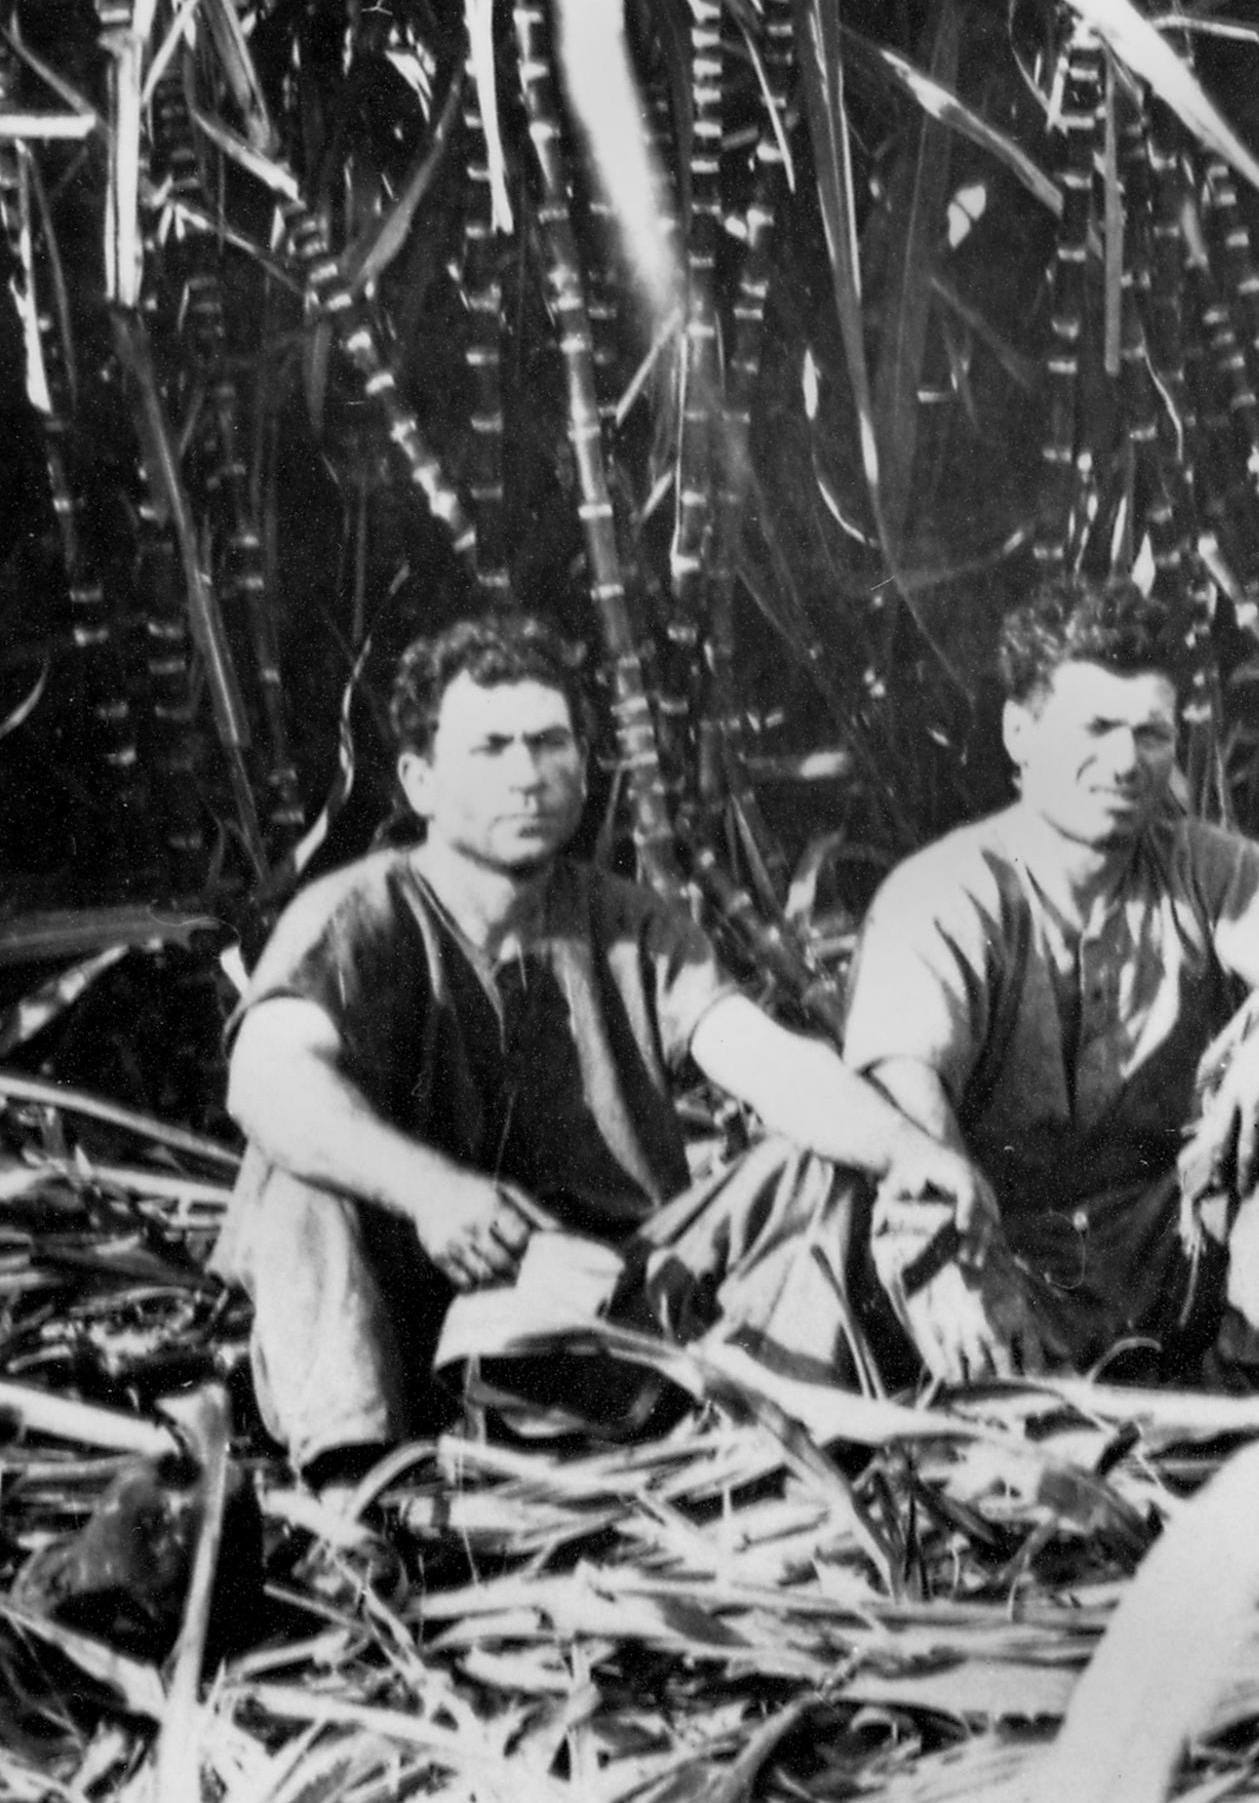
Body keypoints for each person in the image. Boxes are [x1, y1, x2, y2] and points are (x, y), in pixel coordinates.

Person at [214, 615, 991, 1482]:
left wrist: (911, 1149)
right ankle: (356, 1486)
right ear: (420, 780)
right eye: (490, 748)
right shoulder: (359, 912)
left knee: (818, 1160)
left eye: (550, 742)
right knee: (294, 1166)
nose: (527, 773)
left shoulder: (631, 923)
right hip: (414, 1315)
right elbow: (265, 1079)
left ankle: (764, 1441)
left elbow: (765, 1058)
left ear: (584, 767)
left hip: (606, 1296)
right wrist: (432, 1191)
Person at [844, 580, 1259, 1377]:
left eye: (1150, 733)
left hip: (1168, 1247)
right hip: (1002, 1251)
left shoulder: (1200, 865)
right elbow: (904, 1107)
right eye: (1095, 728)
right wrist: (960, 1262)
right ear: (1020, 732)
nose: (1125, 762)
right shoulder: (944, 893)